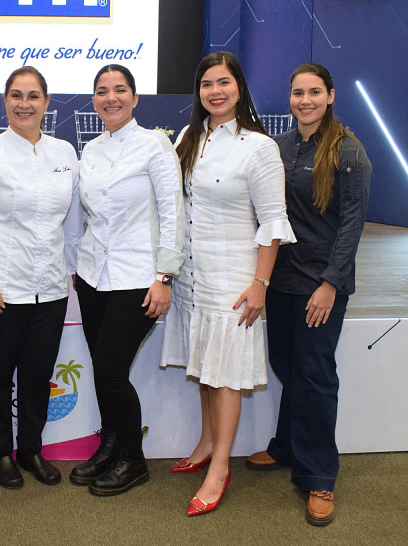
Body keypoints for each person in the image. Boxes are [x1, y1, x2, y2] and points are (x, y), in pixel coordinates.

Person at [161, 52, 295, 516]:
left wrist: (261, 283)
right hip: (192, 279)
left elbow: (273, 222)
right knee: (204, 365)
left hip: (233, 282)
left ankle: (220, 468)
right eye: (206, 84)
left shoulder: (259, 147)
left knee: (225, 378)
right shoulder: (188, 137)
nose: (215, 91)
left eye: (224, 82)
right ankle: (203, 444)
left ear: (239, 87)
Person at [245, 63, 371, 527]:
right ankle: (286, 447)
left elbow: (353, 224)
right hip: (281, 281)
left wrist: (330, 284)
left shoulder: (349, 151)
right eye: (298, 93)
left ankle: (320, 476)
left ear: (331, 95)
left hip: (321, 285)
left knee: (315, 375)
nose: (305, 100)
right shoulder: (278, 148)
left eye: (315, 92)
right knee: (287, 365)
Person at [0, 66, 80, 489]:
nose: (24, 104)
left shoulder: (65, 153)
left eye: (33, 96)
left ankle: (30, 449)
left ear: (47, 103)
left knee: (36, 376)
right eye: (16, 95)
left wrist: (76, 274)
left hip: (49, 288)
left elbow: (73, 221)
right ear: (5, 101)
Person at [70, 64, 184, 496]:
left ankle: (133, 460)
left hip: (139, 275)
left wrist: (165, 275)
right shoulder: (92, 149)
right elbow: (86, 215)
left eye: (120, 90)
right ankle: (111, 444)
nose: (111, 97)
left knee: (112, 371)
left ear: (135, 98)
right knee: (102, 370)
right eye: (102, 91)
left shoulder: (155, 144)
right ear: (94, 99)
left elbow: (174, 211)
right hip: (93, 276)